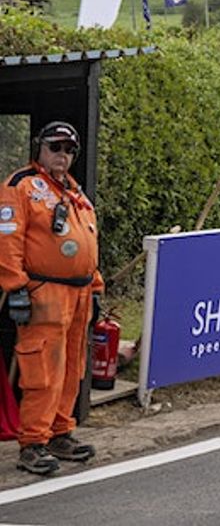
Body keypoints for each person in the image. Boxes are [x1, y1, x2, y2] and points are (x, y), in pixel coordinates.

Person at [0, 122, 104, 475]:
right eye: (56, 146)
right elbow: (8, 239)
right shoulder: (21, 186)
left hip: (79, 293)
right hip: (44, 292)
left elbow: (88, 242)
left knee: (71, 368)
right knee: (42, 370)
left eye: (70, 149)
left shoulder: (73, 192)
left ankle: (61, 431)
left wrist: (95, 286)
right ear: (39, 148)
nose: (63, 155)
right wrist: (15, 287)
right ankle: (33, 442)